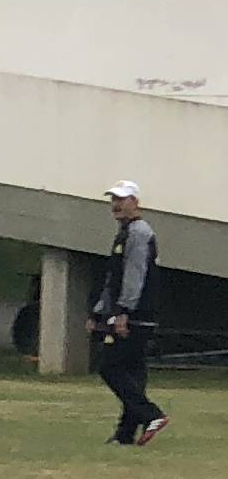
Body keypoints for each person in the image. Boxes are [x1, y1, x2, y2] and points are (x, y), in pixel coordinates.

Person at [88, 181, 169, 447]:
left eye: (122, 199)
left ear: (135, 201)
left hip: (138, 313)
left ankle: (151, 414)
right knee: (133, 372)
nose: (116, 204)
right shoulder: (124, 233)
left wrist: (124, 311)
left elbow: (135, 275)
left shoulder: (138, 232)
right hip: (128, 311)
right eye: (113, 199)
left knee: (110, 366)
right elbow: (114, 277)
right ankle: (125, 434)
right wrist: (100, 312)